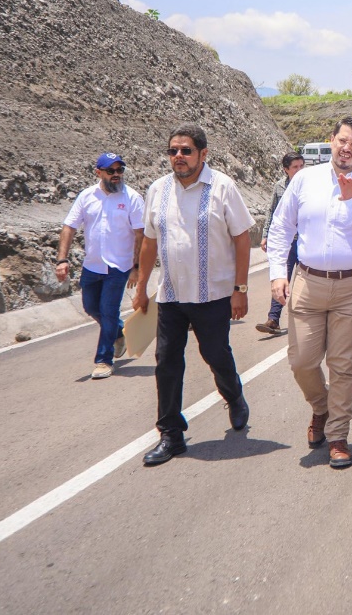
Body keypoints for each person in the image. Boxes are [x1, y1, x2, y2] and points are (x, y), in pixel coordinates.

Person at [267, 117, 352, 470]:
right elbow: (281, 227)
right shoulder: (305, 179)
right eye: (342, 140)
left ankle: (338, 435)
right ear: (331, 141)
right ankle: (321, 407)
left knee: (342, 364)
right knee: (302, 361)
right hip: (308, 282)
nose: (346, 148)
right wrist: (278, 273)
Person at [133, 126, 254, 466]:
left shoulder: (222, 187)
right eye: (173, 151)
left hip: (213, 294)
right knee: (166, 362)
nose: (178, 157)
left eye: (186, 150)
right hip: (171, 294)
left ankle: (234, 395)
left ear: (203, 154)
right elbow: (149, 242)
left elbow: (242, 238)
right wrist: (142, 287)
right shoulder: (158, 189)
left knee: (215, 354)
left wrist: (240, 290)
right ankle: (171, 434)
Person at [56, 152, 144, 379]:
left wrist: (136, 267)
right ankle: (118, 332)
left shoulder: (132, 198)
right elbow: (69, 227)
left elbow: (140, 234)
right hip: (92, 265)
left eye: (120, 170)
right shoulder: (86, 196)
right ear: (99, 172)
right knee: (90, 307)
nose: (117, 174)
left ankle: (104, 360)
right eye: (111, 171)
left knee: (108, 310)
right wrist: (62, 259)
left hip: (119, 266)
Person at [257, 152, 305, 335]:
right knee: (281, 278)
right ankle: (273, 320)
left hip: (306, 242)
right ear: (286, 170)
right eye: (295, 167)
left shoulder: (310, 185)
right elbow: (272, 212)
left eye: (301, 166)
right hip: (288, 243)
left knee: (309, 281)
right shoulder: (279, 187)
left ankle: (310, 319)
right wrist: (266, 235)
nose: (299, 170)